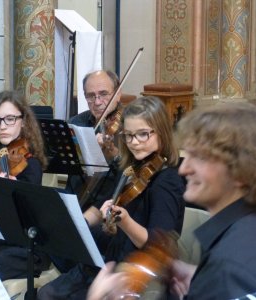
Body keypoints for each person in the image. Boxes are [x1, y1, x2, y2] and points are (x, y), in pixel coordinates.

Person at [86, 102, 256, 300]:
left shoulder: (231, 266)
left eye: (199, 157)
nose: (184, 169)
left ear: (241, 171)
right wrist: (200, 278)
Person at [37, 96, 185, 299]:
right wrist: (76, 223)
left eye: (143, 135)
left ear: (161, 133)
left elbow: (158, 243)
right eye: (129, 135)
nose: (134, 143)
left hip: (133, 272)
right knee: (47, 293)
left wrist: (125, 222)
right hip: (109, 259)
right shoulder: (131, 169)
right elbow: (101, 206)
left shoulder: (166, 181)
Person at [0, 90, 51, 280]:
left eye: (10, 119)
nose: (2, 126)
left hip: (25, 248)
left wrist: (8, 194)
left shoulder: (30, 164)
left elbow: (28, 217)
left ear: (23, 121)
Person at [67, 70, 123, 210]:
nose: (97, 102)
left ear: (118, 94)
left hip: (107, 206)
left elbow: (132, 172)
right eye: (91, 96)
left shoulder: (130, 125)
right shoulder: (76, 123)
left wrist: (113, 153)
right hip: (76, 200)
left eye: (104, 94)